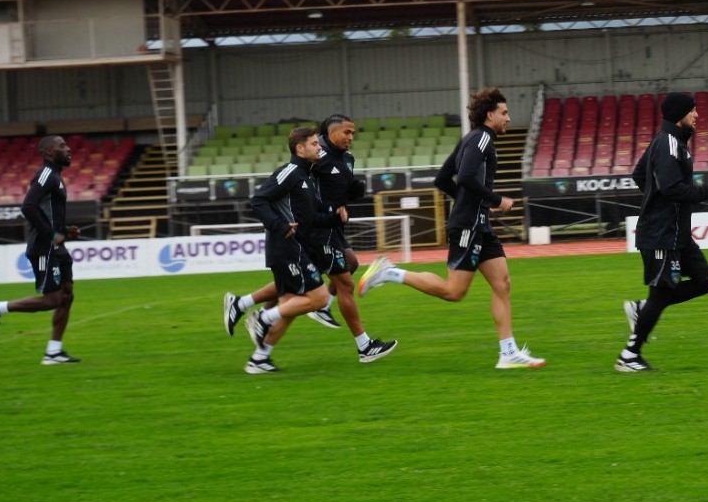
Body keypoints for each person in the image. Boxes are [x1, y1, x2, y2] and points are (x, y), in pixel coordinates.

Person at [357, 88, 546, 370]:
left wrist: (467, 202)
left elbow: (443, 178)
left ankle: (508, 352)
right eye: (504, 113)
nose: (508, 118)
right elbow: (466, 176)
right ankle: (389, 273)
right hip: (469, 225)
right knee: (454, 291)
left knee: (502, 283)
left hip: (478, 223)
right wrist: (495, 200)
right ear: (490, 115)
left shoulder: (471, 139)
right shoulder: (482, 138)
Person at [222, 113, 397, 364]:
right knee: (336, 285)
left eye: (353, 133)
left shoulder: (335, 163)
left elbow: (321, 202)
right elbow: (264, 199)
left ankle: (257, 350)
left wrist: (342, 207)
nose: (351, 137)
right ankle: (362, 343)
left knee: (293, 297)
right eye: (346, 132)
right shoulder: (303, 166)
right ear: (328, 135)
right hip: (308, 237)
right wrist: (280, 224)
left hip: (318, 231)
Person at [617, 92, 708, 372]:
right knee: (661, 295)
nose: (697, 115)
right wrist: (706, 192)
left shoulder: (669, 142)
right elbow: (672, 188)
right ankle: (630, 355)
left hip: (678, 235)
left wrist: (655, 198)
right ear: (680, 114)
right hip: (661, 234)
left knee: (704, 281)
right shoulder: (668, 144)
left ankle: (642, 309)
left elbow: (640, 175)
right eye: (693, 111)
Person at [241, 127, 337, 373]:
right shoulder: (290, 172)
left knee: (290, 306)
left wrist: (335, 218)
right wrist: (278, 225)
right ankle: (262, 318)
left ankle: (259, 359)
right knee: (320, 298)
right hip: (286, 248)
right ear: (300, 148)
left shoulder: (305, 176)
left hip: (295, 248)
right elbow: (258, 199)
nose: (320, 147)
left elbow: (310, 217)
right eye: (315, 144)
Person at [0, 135, 82, 363]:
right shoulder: (46, 175)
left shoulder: (56, 176)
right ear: (49, 153)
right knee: (52, 300)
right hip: (43, 248)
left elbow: (48, 215)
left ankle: (54, 352)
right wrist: (52, 235)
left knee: (67, 295)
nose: (68, 149)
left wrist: (65, 230)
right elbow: (28, 206)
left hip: (57, 247)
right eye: (62, 146)